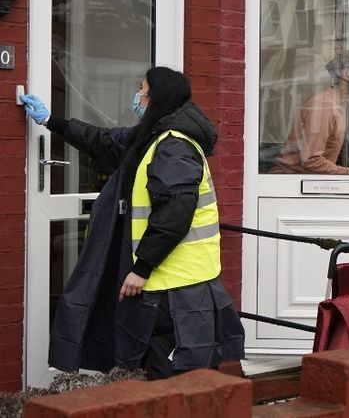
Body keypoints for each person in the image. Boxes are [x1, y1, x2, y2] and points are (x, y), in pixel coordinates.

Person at [20, 67, 245, 380]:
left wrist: (141, 269)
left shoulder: (173, 146)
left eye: (142, 90)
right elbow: (104, 141)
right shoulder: (154, 136)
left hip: (176, 286)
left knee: (172, 373)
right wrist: (50, 121)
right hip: (169, 279)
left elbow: (174, 214)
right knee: (159, 368)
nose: (137, 97)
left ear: (155, 98)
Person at [270, 50, 349, 174]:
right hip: (289, 184)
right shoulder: (324, 107)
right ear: (347, 74)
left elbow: (337, 142)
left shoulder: (338, 104)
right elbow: (311, 161)